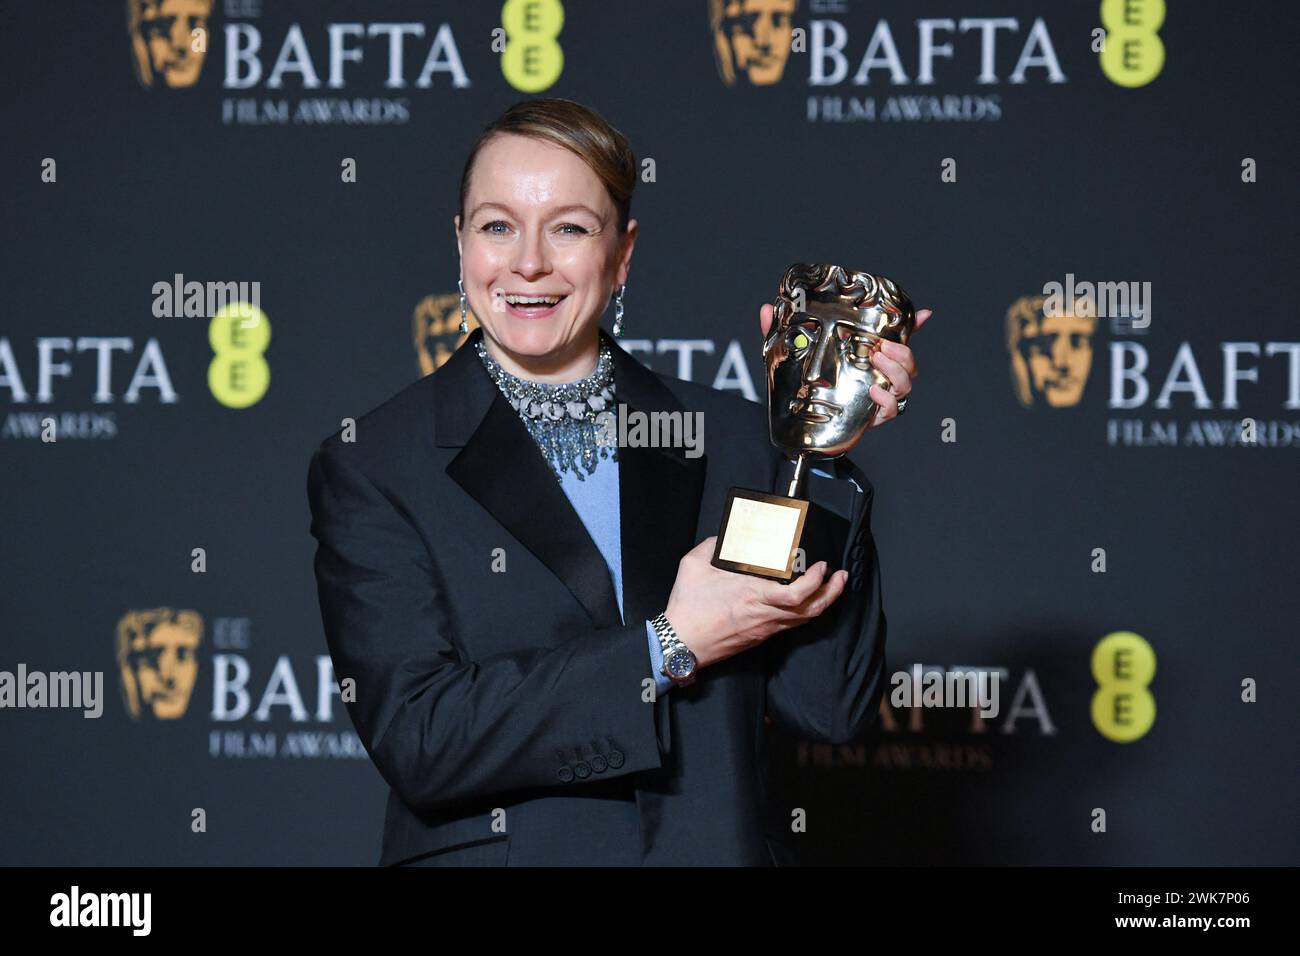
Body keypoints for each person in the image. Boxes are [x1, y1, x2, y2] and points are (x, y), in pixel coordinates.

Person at [307, 97, 930, 866]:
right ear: (461, 243)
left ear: (623, 252)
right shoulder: (377, 462)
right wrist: (670, 646)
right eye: (498, 225)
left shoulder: (735, 437)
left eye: (569, 227)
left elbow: (826, 706)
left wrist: (822, 449)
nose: (528, 261)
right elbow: (422, 738)